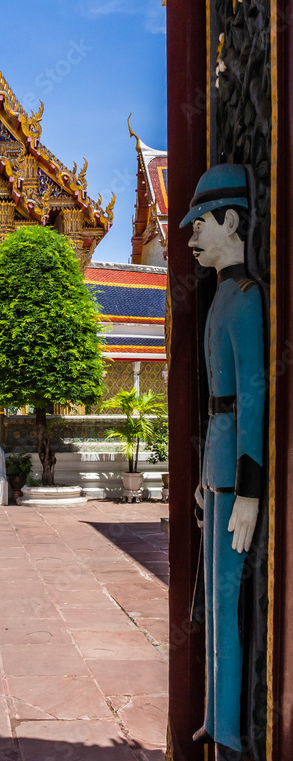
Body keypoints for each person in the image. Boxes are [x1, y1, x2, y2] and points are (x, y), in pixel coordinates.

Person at [180, 163, 265, 760]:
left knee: (229, 606)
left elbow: (253, 402)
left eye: (199, 225)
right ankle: (213, 716)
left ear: (231, 222)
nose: (189, 239)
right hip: (216, 471)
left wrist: (250, 492)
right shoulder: (216, 302)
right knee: (208, 603)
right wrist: (204, 483)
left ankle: (231, 729)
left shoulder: (244, 300)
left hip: (236, 476)